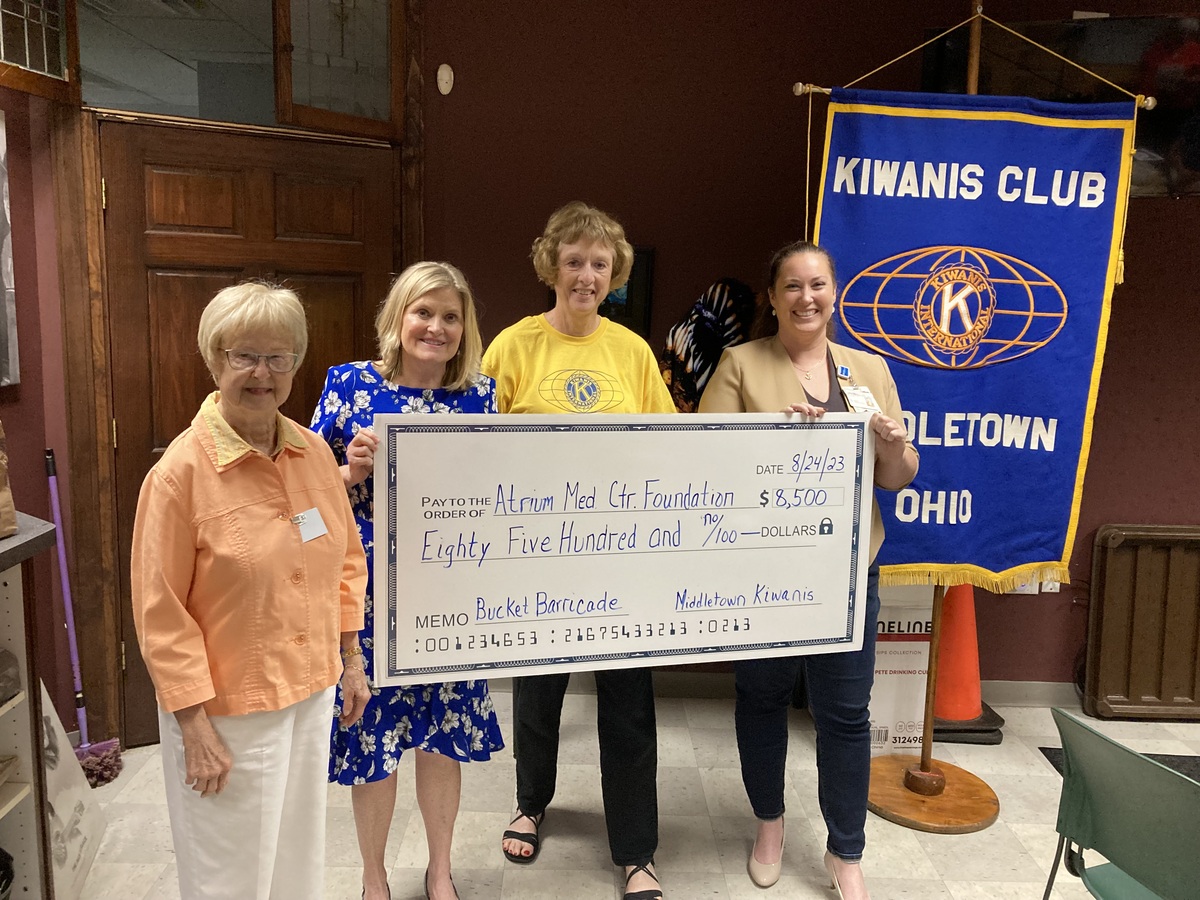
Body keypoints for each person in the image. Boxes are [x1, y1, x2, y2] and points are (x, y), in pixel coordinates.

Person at [130, 282, 370, 900]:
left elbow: (344, 558)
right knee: (230, 878)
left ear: (295, 363)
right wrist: (193, 728)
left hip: (310, 695)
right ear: (215, 360)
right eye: (245, 356)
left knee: (297, 862)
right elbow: (161, 613)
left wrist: (350, 658)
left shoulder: (315, 454)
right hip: (227, 715)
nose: (263, 373)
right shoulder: (178, 475)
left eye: (279, 356)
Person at [698, 241, 919, 900]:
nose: (806, 297)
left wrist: (893, 446)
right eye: (791, 286)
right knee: (762, 699)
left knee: (846, 714)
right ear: (771, 297)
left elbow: (899, 477)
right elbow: (704, 463)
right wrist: (773, 440)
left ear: (836, 292)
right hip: (764, 569)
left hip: (849, 572)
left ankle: (845, 851)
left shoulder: (868, 369)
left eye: (817, 284)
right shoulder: (740, 363)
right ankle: (770, 824)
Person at [483, 201, 675, 900]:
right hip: (538, 563)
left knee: (629, 706)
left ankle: (636, 850)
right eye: (574, 261)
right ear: (551, 267)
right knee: (538, 696)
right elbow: (473, 445)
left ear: (614, 273)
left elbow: (672, 447)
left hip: (622, 563)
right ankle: (530, 803)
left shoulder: (632, 351)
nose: (586, 275)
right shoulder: (513, 346)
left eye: (599, 264)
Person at [312, 261, 505, 900]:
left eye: (451, 317)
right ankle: (373, 879)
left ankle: (441, 870)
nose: (437, 327)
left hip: (450, 596)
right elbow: (302, 502)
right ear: (397, 318)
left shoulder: (482, 396)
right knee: (371, 734)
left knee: (441, 735)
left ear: (465, 329)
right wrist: (347, 475)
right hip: (366, 602)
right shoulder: (348, 387)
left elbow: (500, 491)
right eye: (424, 312)